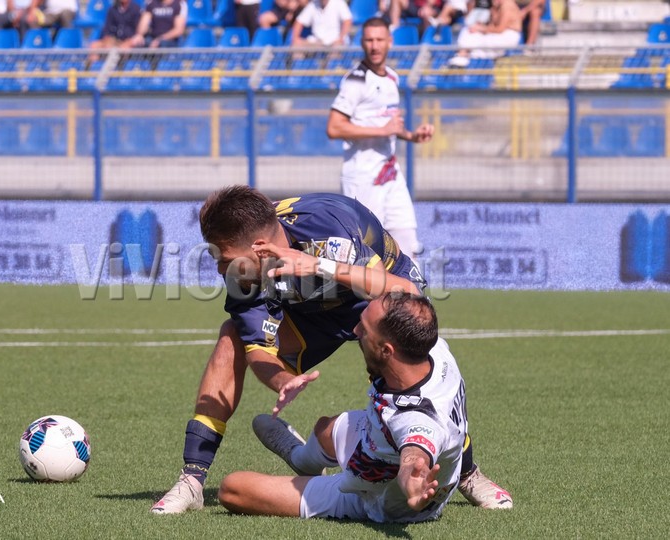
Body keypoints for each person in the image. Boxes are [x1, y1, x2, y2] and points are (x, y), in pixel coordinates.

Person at [150, 186, 510, 514]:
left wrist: (318, 265)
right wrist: (282, 381)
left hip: (375, 294)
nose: (218, 268)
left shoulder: (327, 228)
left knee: (410, 361)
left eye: (224, 257)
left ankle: (466, 473)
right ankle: (192, 479)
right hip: (311, 314)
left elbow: (400, 291)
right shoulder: (242, 276)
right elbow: (258, 348)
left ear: (259, 247)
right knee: (232, 336)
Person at [219, 292, 512, 521]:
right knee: (325, 429)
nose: (356, 329)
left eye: (365, 328)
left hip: (373, 497)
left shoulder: (414, 419)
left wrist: (413, 481)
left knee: (233, 489)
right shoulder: (432, 347)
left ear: (387, 350)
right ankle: (300, 458)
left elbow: (415, 452)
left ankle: (317, 481)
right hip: (376, 442)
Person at [327, 17, 434, 260]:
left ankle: (410, 287)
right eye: (369, 40)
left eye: (379, 40)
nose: (374, 46)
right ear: (362, 43)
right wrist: (383, 131)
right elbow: (334, 127)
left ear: (389, 42)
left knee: (407, 245)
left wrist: (412, 135)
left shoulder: (392, 78)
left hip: (390, 174)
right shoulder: (355, 81)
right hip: (362, 177)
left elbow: (388, 123)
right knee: (368, 253)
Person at [447, 0, 521, 67]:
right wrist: (480, 27)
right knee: (468, 30)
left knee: (475, 38)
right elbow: (491, 26)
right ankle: (461, 57)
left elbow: (500, 29)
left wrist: (481, 28)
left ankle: (463, 56)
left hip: (507, 37)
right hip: (496, 35)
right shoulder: (496, 6)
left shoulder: (507, 5)